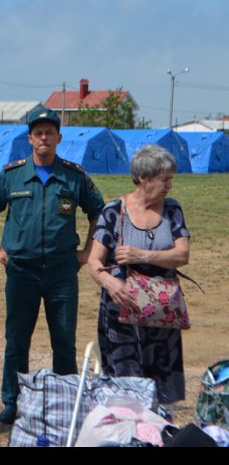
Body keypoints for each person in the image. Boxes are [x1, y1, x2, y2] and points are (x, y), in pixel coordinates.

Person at [0, 109, 104, 424]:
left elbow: (98, 214)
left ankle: (66, 401)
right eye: (38, 133)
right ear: (30, 139)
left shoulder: (74, 176)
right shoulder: (12, 175)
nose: (44, 138)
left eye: (50, 132)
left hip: (62, 270)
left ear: (59, 138)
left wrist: (88, 252)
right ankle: (14, 402)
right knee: (17, 340)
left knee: (64, 339)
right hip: (21, 269)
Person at [88, 144, 189, 408]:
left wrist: (141, 255)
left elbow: (182, 255)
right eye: (164, 179)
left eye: (170, 179)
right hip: (121, 313)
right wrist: (110, 283)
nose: (169, 185)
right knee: (124, 388)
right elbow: (94, 261)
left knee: (161, 390)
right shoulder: (113, 212)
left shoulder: (172, 210)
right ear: (143, 178)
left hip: (161, 314)